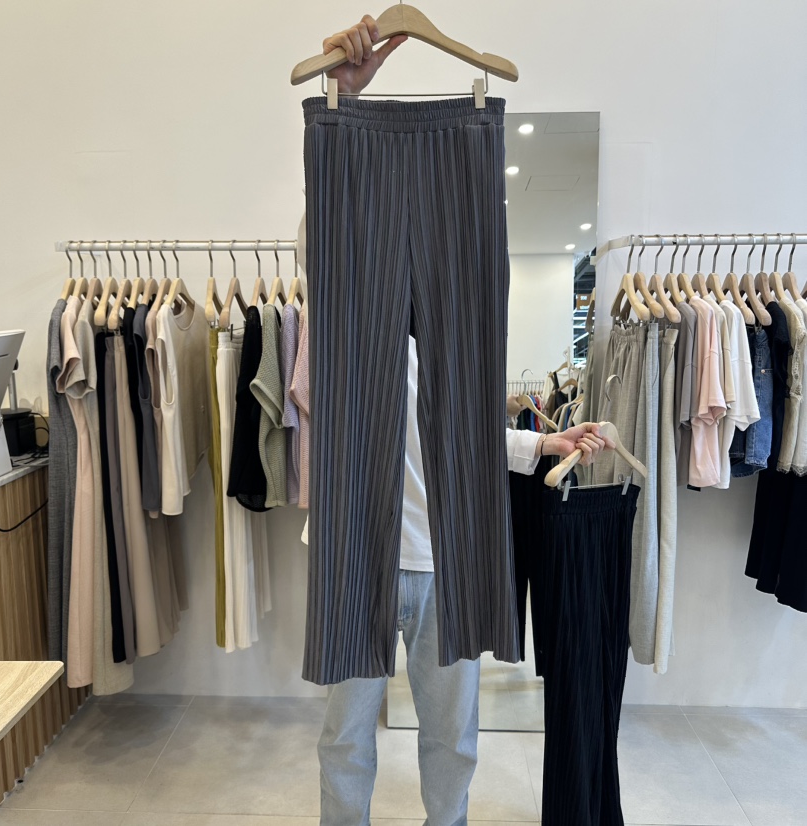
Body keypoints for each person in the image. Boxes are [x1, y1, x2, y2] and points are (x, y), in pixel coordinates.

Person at [311, 17, 614, 825]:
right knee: (345, 738)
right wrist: (345, 104)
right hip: (361, 547)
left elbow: (457, 440)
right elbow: (323, 239)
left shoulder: (450, 351)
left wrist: (544, 441)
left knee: (453, 739)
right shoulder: (345, 326)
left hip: (445, 557)